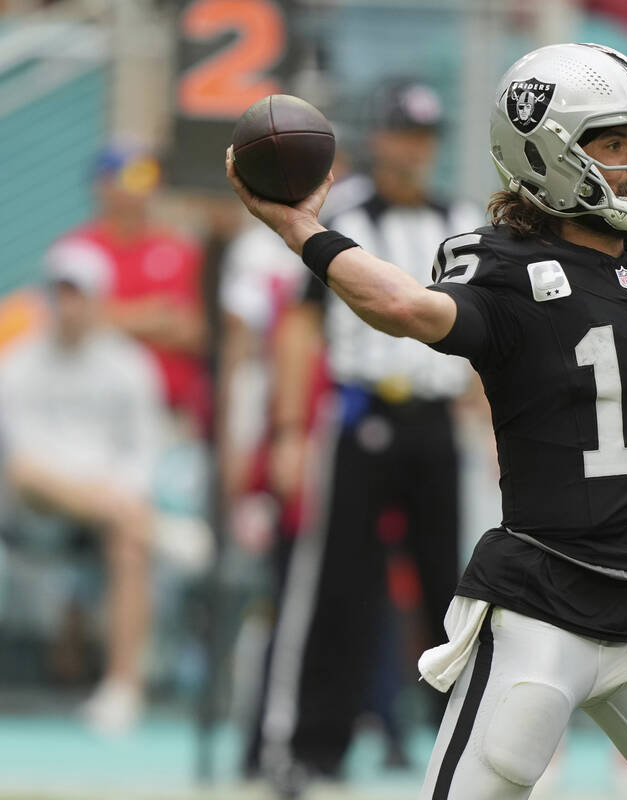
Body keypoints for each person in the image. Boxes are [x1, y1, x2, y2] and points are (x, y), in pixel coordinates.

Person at [227, 41, 627, 800]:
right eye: (613, 141)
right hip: (546, 610)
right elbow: (405, 307)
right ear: (546, 151)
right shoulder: (504, 267)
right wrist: (300, 229)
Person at [242, 80, 482, 785]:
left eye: (426, 136)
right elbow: (301, 323)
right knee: (336, 586)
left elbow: (486, 332)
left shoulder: (460, 220)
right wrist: (288, 429)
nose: (415, 150)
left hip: (437, 420)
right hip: (358, 411)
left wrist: (492, 427)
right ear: (380, 138)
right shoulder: (339, 214)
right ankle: (311, 748)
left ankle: (462, 754)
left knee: (455, 594)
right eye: (404, 134)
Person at [0, 238, 165, 734]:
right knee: (35, 479)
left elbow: (142, 456)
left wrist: (115, 501)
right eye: (59, 291)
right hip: (33, 509)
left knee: (130, 543)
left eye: (76, 292)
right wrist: (107, 502)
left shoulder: (131, 366)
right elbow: (22, 465)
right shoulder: (17, 364)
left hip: (107, 510)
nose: (65, 303)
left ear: (97, 298)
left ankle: (122, 687)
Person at [59, 145, 207, 428]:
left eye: (149, 175)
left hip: (167, 411)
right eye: (133, 176)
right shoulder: (76, 250)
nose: (144, 187)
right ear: (103, 184)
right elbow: (69, 322)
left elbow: (194, 331)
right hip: (91, 413)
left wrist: (111, 318)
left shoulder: (179, 249)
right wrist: (155, 318)